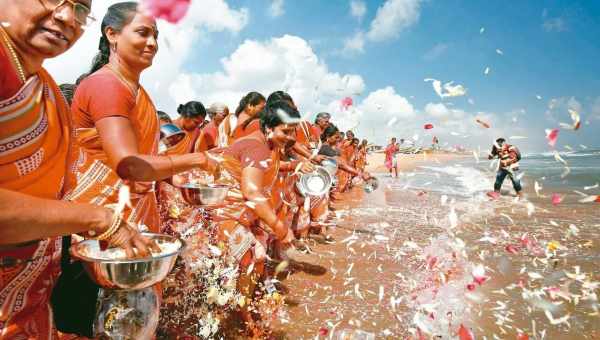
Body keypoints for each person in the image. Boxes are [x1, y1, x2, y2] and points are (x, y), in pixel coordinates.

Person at [0, 1, 154, 338]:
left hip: (27, 306)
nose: (67, 16)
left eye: (81, 9)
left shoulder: (48, 92)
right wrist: (97, 219)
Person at [69, 2, 217, 233]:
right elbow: (129, 166)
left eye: (155, 36)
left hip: (134, 208)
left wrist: (174, 180)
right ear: (112, 34)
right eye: (143, 33)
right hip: (104, 215)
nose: (153, 43)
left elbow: (142, 156)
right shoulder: (106, 85)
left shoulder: (136, 91)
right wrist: (200, 159)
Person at [209, 100, 314, 336]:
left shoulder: (268, 145)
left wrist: (295, 165)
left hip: (245, 214)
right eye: (285, 132)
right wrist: (279, 228)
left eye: (292, 132)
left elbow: (266, 170)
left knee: (253, 264)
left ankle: (240, 313)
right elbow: (252, 191)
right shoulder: (256, 147)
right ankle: (241, 321)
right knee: (244, 266)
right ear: (268, 127)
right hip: (226, 214)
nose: (289, 138)